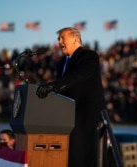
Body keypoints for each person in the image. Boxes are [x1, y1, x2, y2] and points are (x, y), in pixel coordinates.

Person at [36, 27, 106, 167]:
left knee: (84, 158)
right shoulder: (61, 62)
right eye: (58, 39)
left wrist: (53, 86)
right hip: (67, 117)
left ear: (75, 39)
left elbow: (76, 77)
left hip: (86, 117)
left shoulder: (89, 56)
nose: (59, 41)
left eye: (63, 38)